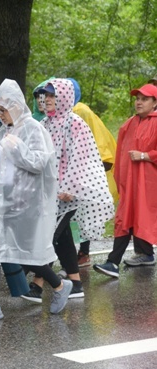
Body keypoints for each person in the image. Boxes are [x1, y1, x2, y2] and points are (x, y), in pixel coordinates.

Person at [0, 79, 72, 323]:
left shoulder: (33, 129)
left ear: (15, 106)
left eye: (3, 110)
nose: (0, 115)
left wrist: (17, 148)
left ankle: (59, 286)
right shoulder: (2, 131)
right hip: (3, 202)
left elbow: (39, 163)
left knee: (22, 253)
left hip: (26, 204)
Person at [23, 79, 113, 302]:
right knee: (61, 237)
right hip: (48, 193)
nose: (47, 100)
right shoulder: (46, 123)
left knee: (47, 236)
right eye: (45, 95)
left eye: (52, 95)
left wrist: (71, 188)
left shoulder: (75, 123)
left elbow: (82, 159)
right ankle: (75, 283)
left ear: (63, 96)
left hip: (66, 195)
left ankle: (40, 283)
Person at [94, 84, 157, 278]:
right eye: (137, 98)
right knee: (127, 217)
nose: (139, 102)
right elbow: (121, 151)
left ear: (155, 102)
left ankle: (113, 262)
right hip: (129, 183)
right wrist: (120, 179)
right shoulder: (128, 123)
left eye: (144, 99)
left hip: (148, 184)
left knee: (134, 218)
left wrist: (145, 155)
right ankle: (145, 254)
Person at [69, 78, 118, 267]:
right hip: (81, 166)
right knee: (77, 211)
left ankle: (83, 252)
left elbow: (92, 140)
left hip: (88, 166)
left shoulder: (80, 110)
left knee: (83, 210)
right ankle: (79, 252)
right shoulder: (68, 111)